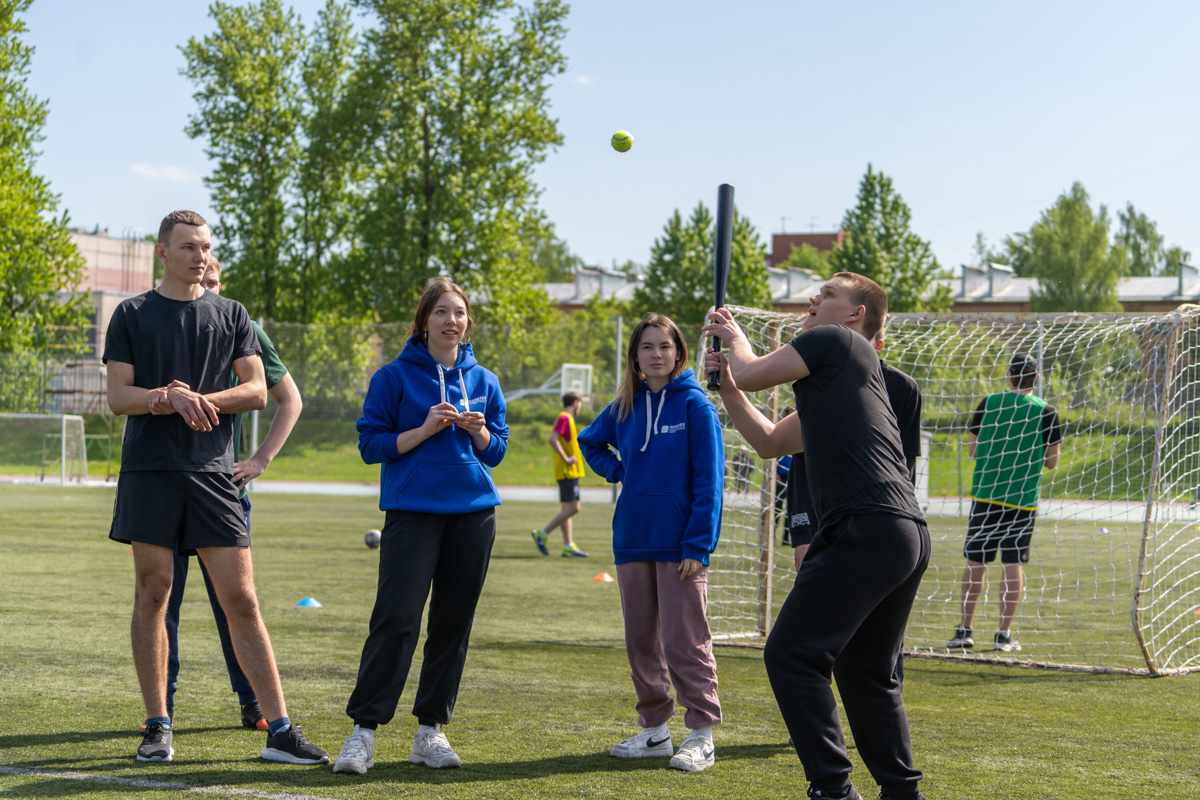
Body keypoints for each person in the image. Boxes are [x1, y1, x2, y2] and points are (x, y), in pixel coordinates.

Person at [104, 210, 328, 765]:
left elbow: (257, 390)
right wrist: (165, 397)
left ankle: (279, 728)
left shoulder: (232, 313)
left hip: (213, 475)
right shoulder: (130, 314)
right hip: (150, 473)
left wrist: (200, 400)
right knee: (154, 595)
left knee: (243, 600)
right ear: (163, 253)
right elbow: (118, 398)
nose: (199, 256)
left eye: (204, 247)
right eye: (187, 248)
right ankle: (158, 726)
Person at [703, 272, 930, 800]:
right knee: (866, 673)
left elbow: (756, 370)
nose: (813, 299)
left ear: (855, 315)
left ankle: (833, 789)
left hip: (864, 525)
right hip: (899, 534)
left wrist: (731, 333)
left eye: (828, 294)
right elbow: (767, 441)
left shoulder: (837, 341)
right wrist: (731, 388)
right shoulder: (839, 384)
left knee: (792, 655)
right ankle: (902, 794)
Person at [333, 277, 509, 775]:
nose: (452, 321)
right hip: (412, 513)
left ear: (467, 321)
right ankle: (363, 732)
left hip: (474, 514)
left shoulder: (486, 381)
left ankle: (430, 731)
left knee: (452, 626)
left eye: (460, 313)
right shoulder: (393, 377)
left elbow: (498, 451)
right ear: (423, 321)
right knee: (397, 619)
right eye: (442, 313)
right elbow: (371, 446)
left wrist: (478, 433)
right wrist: (424, 429)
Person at [145, 257, 303, 733]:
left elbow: (287, 399)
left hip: (219, 484)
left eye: (214, 282)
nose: (205, 287)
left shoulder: (242, 326)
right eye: (201, 278)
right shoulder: (158, 322)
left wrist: (258, 461)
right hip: (163, 482)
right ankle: (161, 712)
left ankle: (254, 705)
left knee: (233, 601)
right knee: (160, 600)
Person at [578, 313, 724, 774]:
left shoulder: (695, 406)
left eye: (664, 346)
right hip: (633, 540)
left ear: (679, 352)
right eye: (647, 347)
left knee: (685, 640)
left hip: (681, 543)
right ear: (635, 356)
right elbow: (590, 443)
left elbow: (710, 480)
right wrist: (622, 472)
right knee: (641, 641)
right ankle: (655, 732)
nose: (656, 354)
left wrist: (698, 544)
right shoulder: (625, 404)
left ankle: (701, 734)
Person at [948, 352, 1062, 653]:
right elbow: (1052, 461)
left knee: (977, 561)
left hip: (985, 495)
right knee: (1012, 563)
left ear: (1008, 377)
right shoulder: (1046, 411)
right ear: (1036, 379)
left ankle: (964, 630)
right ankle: (1003, 634)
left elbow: (972, 450)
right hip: (1022, 500)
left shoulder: (988, 404)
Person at [531, 391, 589, 558]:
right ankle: (543, 533)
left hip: (569, 471)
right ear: (576, 403)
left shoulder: (567, 418)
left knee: (567, 509)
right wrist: (566, 458)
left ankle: (568, 546)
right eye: (580, 404)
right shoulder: (564, 417)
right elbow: (552, 438)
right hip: (567, 471)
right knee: (575, 507)